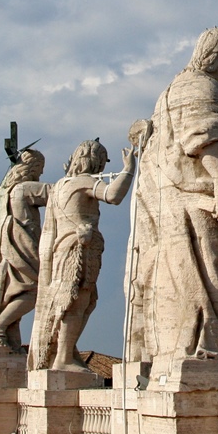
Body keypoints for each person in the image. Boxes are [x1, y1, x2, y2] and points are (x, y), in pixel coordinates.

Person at [127, 27, 218, 368]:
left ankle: (196, 341)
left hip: (165, 199)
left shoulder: (170, 90)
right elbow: (206, 138)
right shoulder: (203, 86)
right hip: (192, 195)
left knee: (183, 270)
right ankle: (217, 339)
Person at [29, 140, 135, 372]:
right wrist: (129, 169)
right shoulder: (84, 182)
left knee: (75, 300)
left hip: (62, 249)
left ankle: (65, 352)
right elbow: (113, 195)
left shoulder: (59, 186)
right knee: (77, 300)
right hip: (79, 249)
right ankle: (63, 357)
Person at [0, 149, 51, 351]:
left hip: (2, 253)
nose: (40, 175)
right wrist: (76, 176)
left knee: (9, 295)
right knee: (35, 290)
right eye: (39, 170)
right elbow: (58, 192)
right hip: (21, 248)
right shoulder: (23, 189)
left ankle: (1, 330)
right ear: (32, 167)